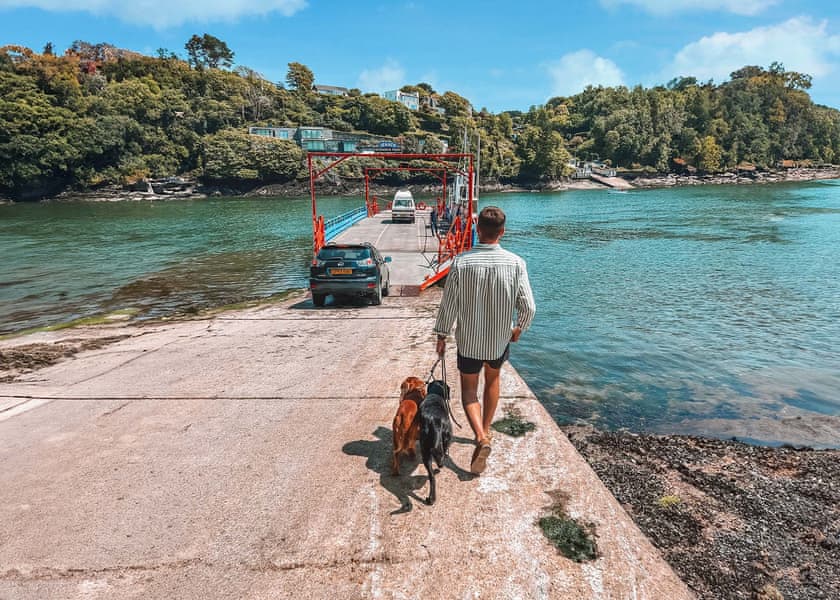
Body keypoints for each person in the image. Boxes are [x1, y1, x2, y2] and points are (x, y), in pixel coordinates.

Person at [433, 206, 536, 474]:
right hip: (498, 341)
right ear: (503, 232)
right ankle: (486, 432)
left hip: (469, 341)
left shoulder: (461, 263)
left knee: (469, 391)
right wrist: (518, 330)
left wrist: (442, 334)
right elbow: (529, 307)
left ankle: (479, 435)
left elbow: (449, 304)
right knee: (493, 381)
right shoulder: (516, 263)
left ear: (477, 230)